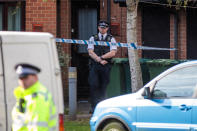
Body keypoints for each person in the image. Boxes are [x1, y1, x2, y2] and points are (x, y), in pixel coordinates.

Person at [12, 63, 57, 131]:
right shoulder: (25, 95)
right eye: (20, 78)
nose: (23, 81)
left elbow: (39, 127)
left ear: (35, 77)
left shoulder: (38, 97)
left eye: (25, 77)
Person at [88, 20, 117, 112]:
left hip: (106, 66)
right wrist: (99, 60)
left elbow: (113, 52)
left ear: (107, 29)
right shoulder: (93, 38)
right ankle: (94, 107)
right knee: (94, 85)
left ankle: (104, 108)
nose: (102, 29)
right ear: (98, 28)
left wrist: (102, 57)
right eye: (101, 27)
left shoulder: (111, 39)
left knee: (104, 86)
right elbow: (90, 51)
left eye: (104, 28)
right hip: (95, 65)